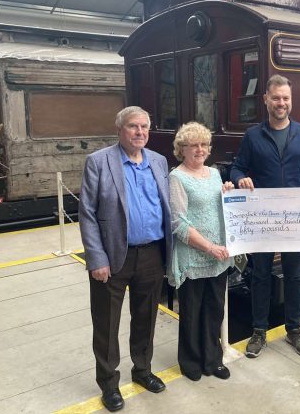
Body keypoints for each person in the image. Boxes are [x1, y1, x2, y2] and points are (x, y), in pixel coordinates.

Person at [230, 74, 300, 359]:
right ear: (266, 99)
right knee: (260, 275)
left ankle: (294, 330)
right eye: (275, 98)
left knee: (293, 274)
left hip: (294, 217)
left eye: (285, 98)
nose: (281, 103)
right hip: (263, 217)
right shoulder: (253, 136)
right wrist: (241, 180)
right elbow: (237, 168)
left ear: (291, 101)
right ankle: (259, 332)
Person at [79, 106, 172, 411]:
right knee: (106, 324)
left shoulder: (158, 161)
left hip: (152, 253)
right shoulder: (99, 162)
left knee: (145, 317)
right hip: (113, 257)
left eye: (144, 126)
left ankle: (142, 370)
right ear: (119, 129)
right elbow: (88, 214)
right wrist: (96, 259)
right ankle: (109, 384)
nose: (140, 132)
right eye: (133, 126)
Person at [168, 122, 235, 382]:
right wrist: (209, 247)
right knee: (192, 311)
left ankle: (213, 359)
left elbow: (220, 208)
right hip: (194, 256)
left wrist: (228, 194)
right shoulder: (177, 177)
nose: (199, 149)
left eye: (204, 144)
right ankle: (190, 361)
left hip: (219, 256)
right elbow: (179, 223)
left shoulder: (215, 173)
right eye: (193, 145)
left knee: (214, 309)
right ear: (181, 149)